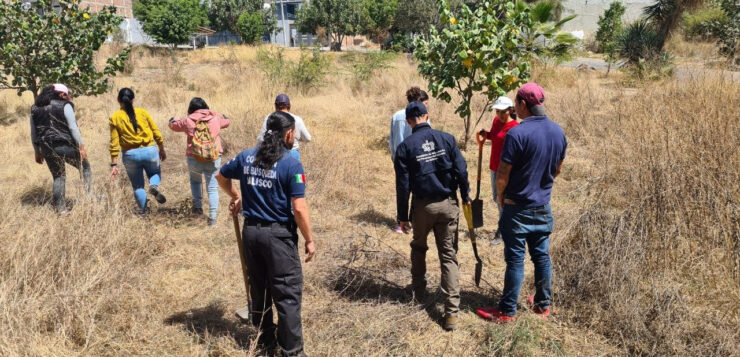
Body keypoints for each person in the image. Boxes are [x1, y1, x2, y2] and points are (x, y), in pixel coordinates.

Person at [217, 111, 316, 356]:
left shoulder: (246, 156)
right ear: (289, 133)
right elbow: (299, 208)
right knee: (287, 295)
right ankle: (291, 351)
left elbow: (220, 175)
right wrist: (310, 240)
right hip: (278, 239)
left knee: (259, 289)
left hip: (251, 234)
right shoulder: (291, 163)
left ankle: (265, 342)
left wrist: (235, 196)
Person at [475, 83, 567, 323]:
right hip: (543, 207)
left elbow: (503, 172)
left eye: (516, 103)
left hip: (517, 207)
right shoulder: (558, 132)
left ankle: (507, 312)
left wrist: (502, 197)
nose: (515, 108)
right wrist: (542, 184)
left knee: (515, 259)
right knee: (541, 257)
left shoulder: (517, 133)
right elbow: (557, 169)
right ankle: (542, 306)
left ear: (523, 105)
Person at [394, 102, 471, 332]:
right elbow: (462, 170)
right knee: (448, 255)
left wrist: (402, 216)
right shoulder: (447, 138)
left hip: (421, 208)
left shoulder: (405, 147)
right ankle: (451, 314)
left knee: (419, 248)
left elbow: (403, 186)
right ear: (428, 116)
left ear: (408, 121)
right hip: (448, 204)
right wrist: (466, 195)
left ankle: (418, 291)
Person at [168, 97, 231, 226]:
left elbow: (173, 126)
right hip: (213, 157)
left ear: (191, 109)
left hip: (194, 157)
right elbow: (227, 121)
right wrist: (218, 114)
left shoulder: (188, 120)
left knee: (195, 182)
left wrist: (172, 119)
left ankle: (197, 210)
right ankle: (213, 219)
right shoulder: (215, 118)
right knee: (212, 188)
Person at [30, 84, 92, 212]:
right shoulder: (65, 105)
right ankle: (89, 197)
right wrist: (81, 146)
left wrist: (37, 152)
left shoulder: (35, 108)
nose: (68, 97)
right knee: (85, 167)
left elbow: (34, 133)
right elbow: (73, 127)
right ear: (61, 94)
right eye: (67, 94)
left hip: (45, 147)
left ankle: (61, 209)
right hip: (64, 145)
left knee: (58, 176)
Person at [109, 88, 167, 214]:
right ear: (133, 99)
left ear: (118, 100)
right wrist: (161, 148)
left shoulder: (115, 117)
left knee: (138, 186)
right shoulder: (143, 113)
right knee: (154, 174)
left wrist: (114, 164)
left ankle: (144, 212)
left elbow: (114, 143)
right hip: (149, 151)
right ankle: (153, 186)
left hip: (130, 155)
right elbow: (156, 131)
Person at [389, 87, 430, 234]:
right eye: (425, 103)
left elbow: (392, 142)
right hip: (414, 158)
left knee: (406, 189)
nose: (426, 107)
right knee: (411, 189)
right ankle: (407, 221)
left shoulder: (398, 115)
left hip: (407, 159)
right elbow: (398, 142)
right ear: (418, 100)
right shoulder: (409, 117)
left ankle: (406, 220)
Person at [478, 96, 518, 244]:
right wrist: (486, 135)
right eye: (497, 111)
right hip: (494, 166)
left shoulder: (514, 128)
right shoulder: (496, 122)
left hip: (505, 170)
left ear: (511, 110)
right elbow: (495, 137)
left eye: (503, 112)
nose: (500, 115)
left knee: (503, 200)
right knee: (496, 198)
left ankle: (502, 231)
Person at [257, 94, 311, 160]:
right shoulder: (297, 119)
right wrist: (297, 137)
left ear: (275, 106)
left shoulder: (269, 118)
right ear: (289, 106)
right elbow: (308, 138)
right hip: (292, 152)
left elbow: (261, 139)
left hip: (273, 152)